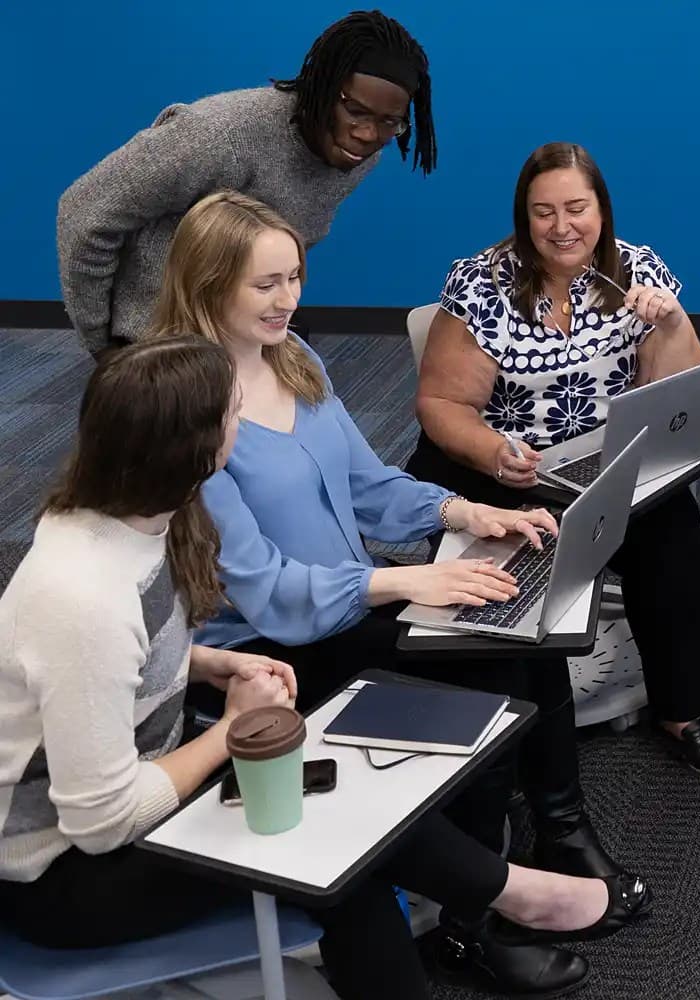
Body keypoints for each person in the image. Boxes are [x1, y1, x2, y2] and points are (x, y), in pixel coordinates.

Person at [0, 338, 636, 1000]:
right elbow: (100, 822)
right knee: (334, 858)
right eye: (229, 410)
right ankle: (513, 896)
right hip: (62, 878)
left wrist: (207, 664)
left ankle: (508, 897)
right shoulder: (83, 599)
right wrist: (229, 734)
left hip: (138, 785)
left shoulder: (131, 524)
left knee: (331, 813)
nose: (240, 416)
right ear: (191, 447)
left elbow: (114, 668)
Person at [148, 191, 646, 996]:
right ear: (208, 286)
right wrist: (405, 578)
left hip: (348, 608)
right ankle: (475, 922)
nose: (288, 300)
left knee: (522, 647)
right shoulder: (187, 412)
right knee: (490, 681)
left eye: (294, 278)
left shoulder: (292, 360)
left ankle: (549, 842)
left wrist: (463, 508)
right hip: (270, 653)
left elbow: (371, 485)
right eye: (265, 285)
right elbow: (270, 594)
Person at [406, 142, 700, 780]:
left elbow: (684, 395)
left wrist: (669, 325)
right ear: (524, 217)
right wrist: (493, 451)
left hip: (601, 462)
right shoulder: (482, 283)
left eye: (577, 209)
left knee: (673, 540)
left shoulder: (637, 273)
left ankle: (681, 709)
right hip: (503, 468)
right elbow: (441, 402)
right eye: (544, 212)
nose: (562, 227)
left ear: (602, 211)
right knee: (521, 585)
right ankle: (513, 737)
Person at [57, 10, 435, 358]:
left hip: (247, 339)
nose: (369, 134)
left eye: (390, 122)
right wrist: (103, 346)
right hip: (164, 345)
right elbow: (84, 212)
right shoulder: (220, 134)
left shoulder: (359, 156)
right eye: (355, 111)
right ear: (320, 89)